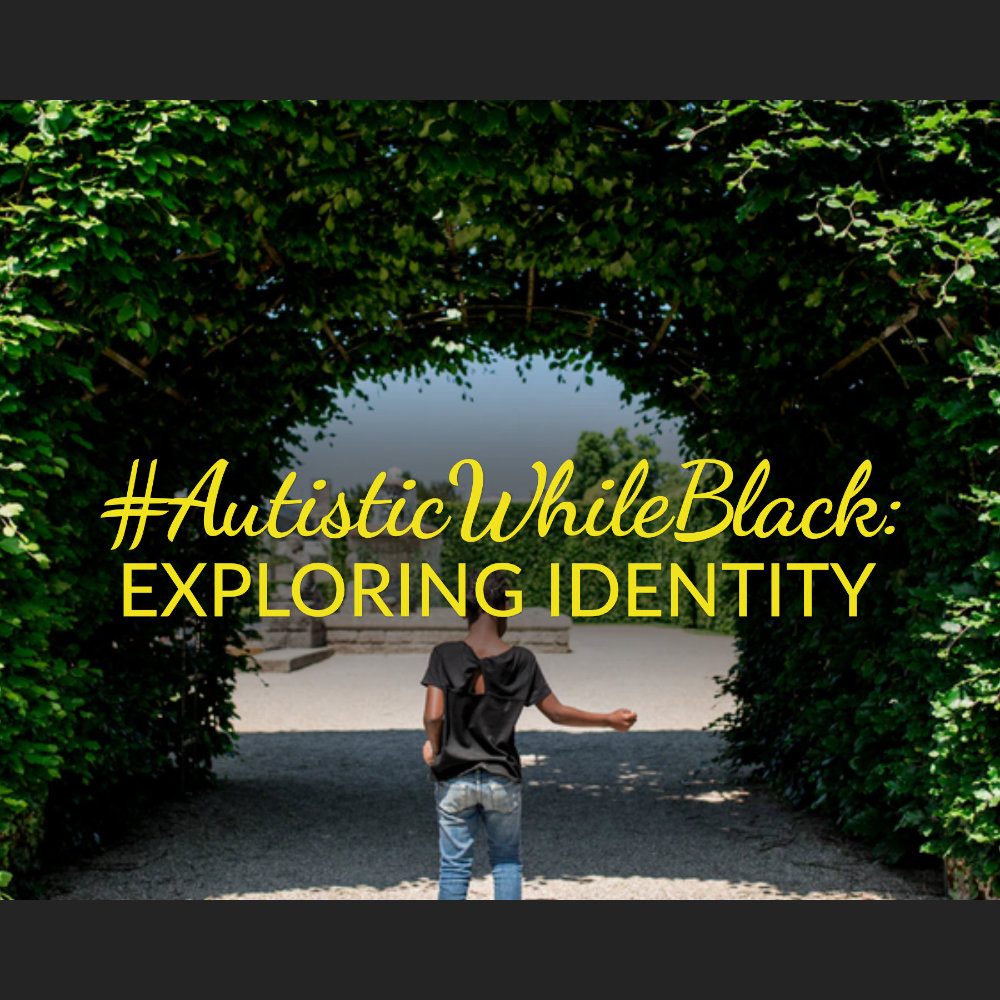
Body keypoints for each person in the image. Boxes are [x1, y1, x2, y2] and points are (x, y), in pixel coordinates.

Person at [420, 568, 637, 900]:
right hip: (501, 776)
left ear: (466, 609)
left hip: (454, 777)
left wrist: (435, 748)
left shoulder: (444, 654)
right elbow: (556, 713)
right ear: (504, 608)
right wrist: (608, 719)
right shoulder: (522, 660)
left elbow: (433, 715)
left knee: (454, 867)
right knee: (506, 862)